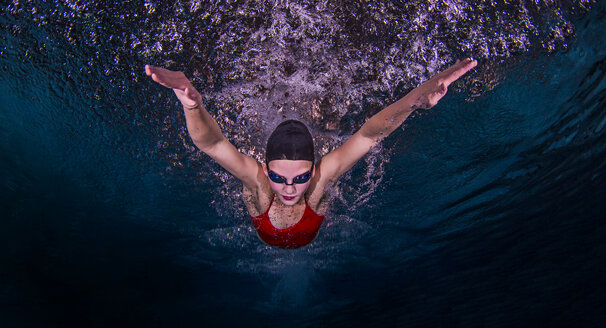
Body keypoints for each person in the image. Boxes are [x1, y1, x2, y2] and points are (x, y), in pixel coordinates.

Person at [145, 58, 477, 249]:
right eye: (278, 177)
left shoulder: (322, 179)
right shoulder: (259, 186)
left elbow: (371, 133)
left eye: (301, 177)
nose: (289, 189)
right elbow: (213, 144)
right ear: (264, 168)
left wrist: (415, 101)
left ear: (314, 170)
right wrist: (193, 105)